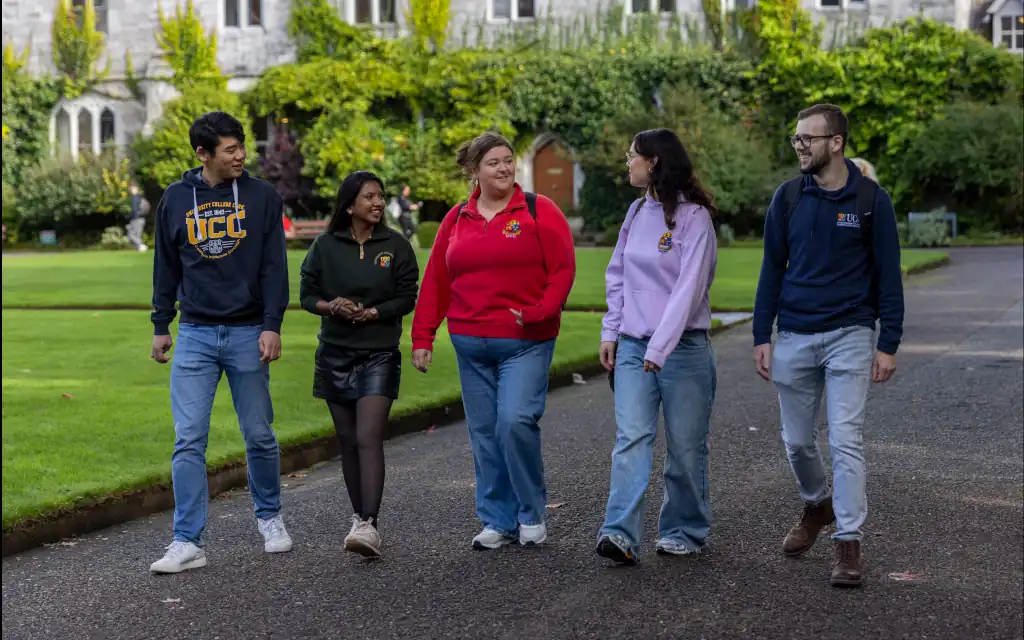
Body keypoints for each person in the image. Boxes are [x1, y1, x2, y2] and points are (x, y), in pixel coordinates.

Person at [752, 104, 904, 588]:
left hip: (851, 335)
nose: (799, 146)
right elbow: (772, 268)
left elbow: (888, 276)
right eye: (796, 138)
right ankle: (817, 505)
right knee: (797, 442)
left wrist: (889, 342)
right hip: (795, 333)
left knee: (845, 438)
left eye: (808, 139)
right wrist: (761, 334)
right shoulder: (788, 198)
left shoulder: (870, 200)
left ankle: (849, 544)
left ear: (835, 142)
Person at [410, 132, 576, 550]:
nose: (503, 169)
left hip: (526, 340)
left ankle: (530, 512)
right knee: (484, 434)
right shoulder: (455, 218)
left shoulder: (539, 209)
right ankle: (497, 520)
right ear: (474, 171)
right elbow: (437, 281)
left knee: (514, 422)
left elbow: (563, 269)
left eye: (508, 161)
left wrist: (542, 310)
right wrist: (423, 335)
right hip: (470, 342)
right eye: (493, 163)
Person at [148, 111, 292, 574]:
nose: (241, 156)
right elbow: (166, 267)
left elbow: (274, 265)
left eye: (241, 146)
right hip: (194, 334)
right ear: (203, 154)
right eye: (230, 149)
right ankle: (188, 540)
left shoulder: (261, 196)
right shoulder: (175, 199)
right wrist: (160, 324)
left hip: (250, 330)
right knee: (188, 439)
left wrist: (273, 324)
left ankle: (270, 517)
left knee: (259, 434)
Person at [595, 129, 719, 565]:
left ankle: (684, 528)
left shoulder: (695, 219)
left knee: (685, 449)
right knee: (631, 439)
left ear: (655, 163)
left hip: (683, 350)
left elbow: (688, 291)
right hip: (632, 346)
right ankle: (619, 534)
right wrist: (611, 332)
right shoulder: (635, 211)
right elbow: (618, 276)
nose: (627, 163)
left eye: (632, 156)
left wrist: (660, 347)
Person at [299, 171, 419, 558]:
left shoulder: (396, 246)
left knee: (369, 436)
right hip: (334, 353)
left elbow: (406, 297)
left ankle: (369, 522)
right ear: (350, 204)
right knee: (348, 442)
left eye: (381, 196)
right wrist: (331, 306)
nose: (379, 203)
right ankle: (358, 517)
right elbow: (306, 295)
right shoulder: (325, 246)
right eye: (369, 197)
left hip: (379, 352)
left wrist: (374, 313)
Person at [125, 182, 151, 252]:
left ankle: (141, 245)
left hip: (136, 219)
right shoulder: (140, 197)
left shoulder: (135, 198)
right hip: (142, 218)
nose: (130, 190)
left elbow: (134, 210)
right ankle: (140, 248)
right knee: (136, 235)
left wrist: (129, 216)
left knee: (131, 235)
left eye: (131, 188)